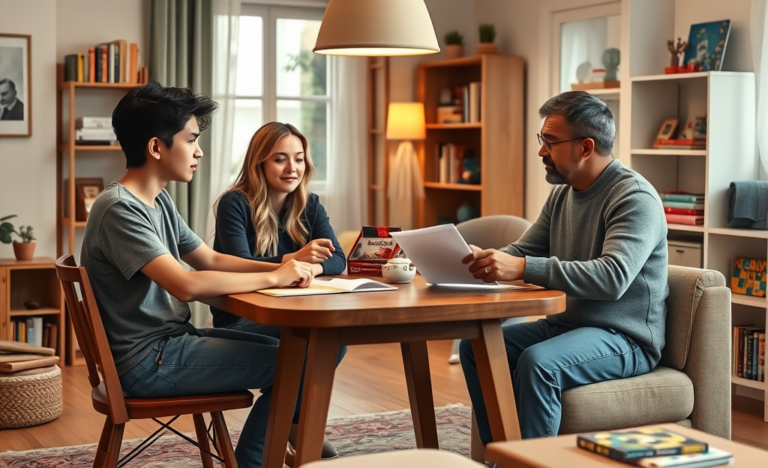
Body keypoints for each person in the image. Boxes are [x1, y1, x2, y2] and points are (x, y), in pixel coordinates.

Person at [81, 82, 316, 468]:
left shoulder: (156, 199)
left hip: (171, 345)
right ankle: (257, 461)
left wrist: (283, 267)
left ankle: (267, 452)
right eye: (191, 140)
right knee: (300, 362)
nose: (199, 151)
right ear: (157, 147)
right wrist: (276, 278)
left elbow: (209, 259)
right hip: (147, 363)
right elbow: (186, 284)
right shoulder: (119, 209)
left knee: (315, 343)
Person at [459, 91, 668, 444]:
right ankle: (503, 454)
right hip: (566, 327)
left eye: (550, 142)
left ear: (585, 147)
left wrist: (521, 267)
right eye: (542, 139)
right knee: (474, 346)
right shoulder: (563, 193)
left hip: (625, 339)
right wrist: (479, 259)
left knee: (538, 363)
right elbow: (522, 251)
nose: (541, 151)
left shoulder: (634, 197)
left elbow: (613, 276)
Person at [212, 121, 346, 460]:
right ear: (260, 162)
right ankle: (267, 448)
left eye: (299, 159)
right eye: (280, 159)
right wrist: (291, 260)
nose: (293, 168)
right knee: (309, 347)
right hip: (241, 318)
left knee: (336, 336)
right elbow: (237, 262)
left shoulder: (309, 204)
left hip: (292, 308)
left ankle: (291, 424)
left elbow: (339, 259)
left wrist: (313, 267)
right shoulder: (235, 203)